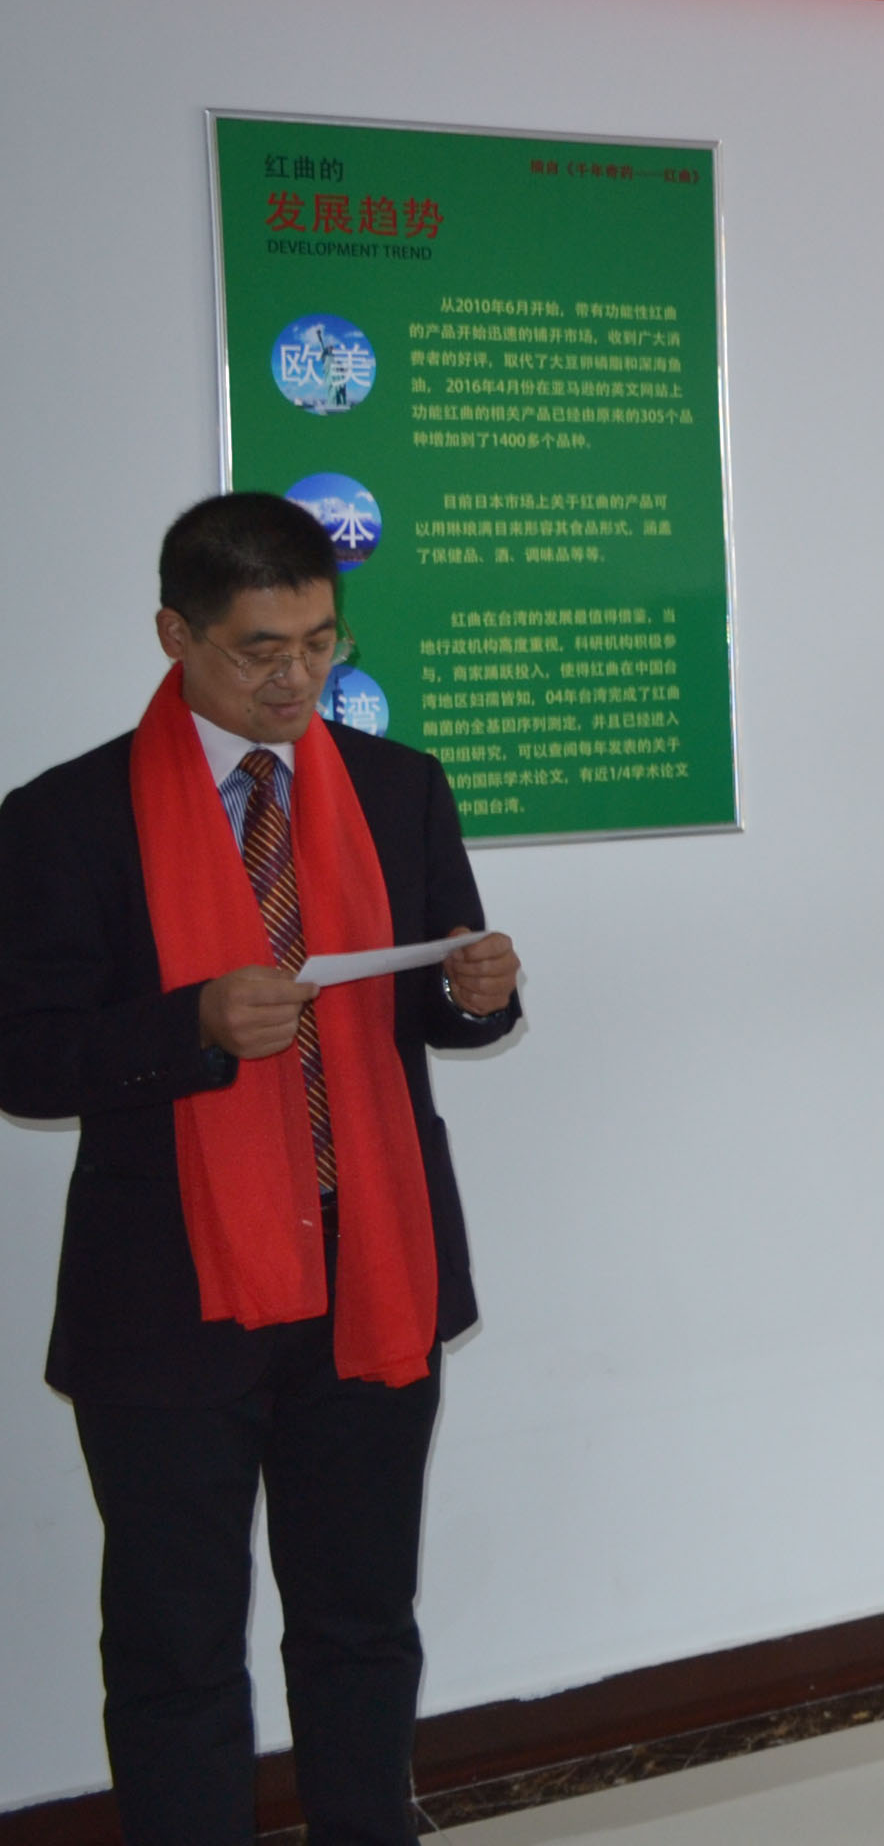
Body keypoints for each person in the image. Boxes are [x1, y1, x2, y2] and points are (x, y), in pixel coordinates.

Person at [0, 494, 521, 1843]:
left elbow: (433, 1000)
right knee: (176, 1648)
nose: (297, 680)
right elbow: (25, 1058)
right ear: (175, 635)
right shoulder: (66, 818)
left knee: (361, 1624)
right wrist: (189, 1026)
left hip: (373, 1268)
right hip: (169, 1297)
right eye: (260, 650)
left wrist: (479, 994)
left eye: (321, 643)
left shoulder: (399, 787)